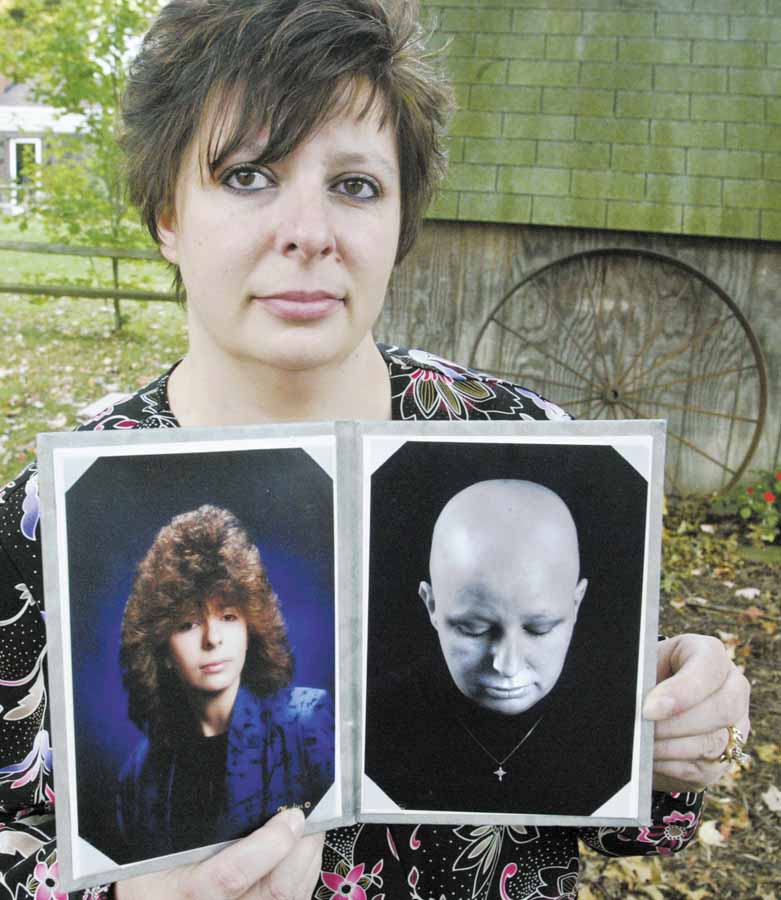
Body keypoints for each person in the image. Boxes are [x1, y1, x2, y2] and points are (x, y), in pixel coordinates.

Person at [0, 1, 751, 898]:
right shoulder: (42, 516)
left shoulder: (532, 447)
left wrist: (688, 731)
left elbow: (613, 799)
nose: (308, 231)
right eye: (247, 176)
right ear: (167, 211)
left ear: (401, 219)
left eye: (355, 185)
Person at [366, 479, 636, 815]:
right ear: (431, 605)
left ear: (576, 604)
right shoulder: (372, 724)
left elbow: (643, 835)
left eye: (540, 628)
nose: (507, 666)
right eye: (474, 629)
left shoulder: (620, 723)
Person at [115, 504, 334, 861]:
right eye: (188, 624)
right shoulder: (140, 773)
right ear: (163, 651)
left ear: (251, 628)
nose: (212, 638)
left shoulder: (306, 720)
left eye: (228, 616)